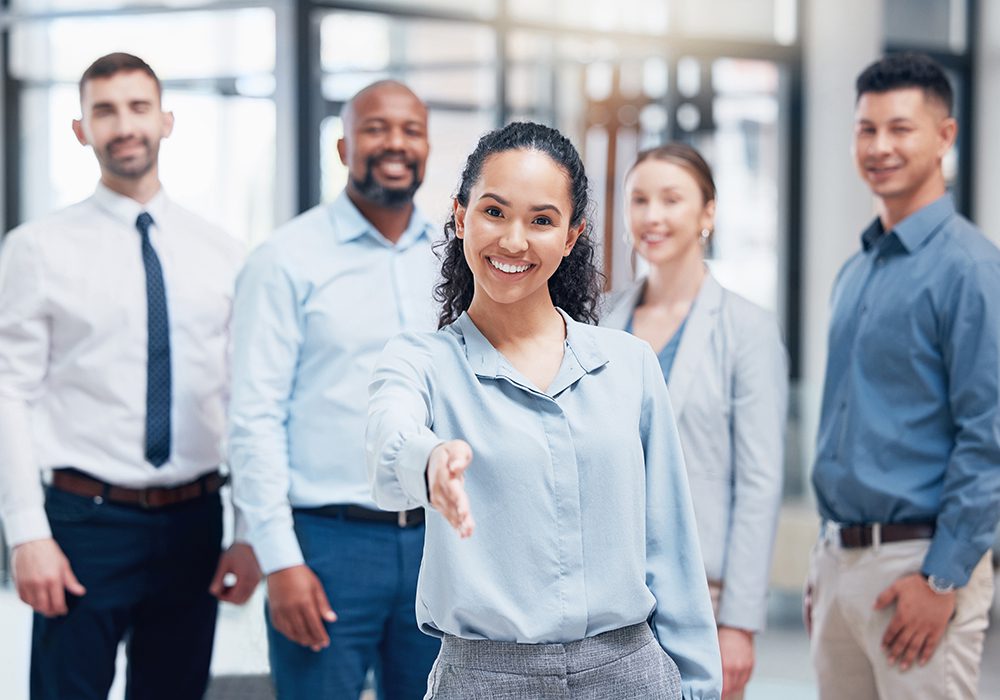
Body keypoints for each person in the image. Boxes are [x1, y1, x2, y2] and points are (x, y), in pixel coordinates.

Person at [366, 121, 722, 699]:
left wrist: (699, 689)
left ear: (571, 234)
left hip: (630, 673)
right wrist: (430, 461)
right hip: (485, 679)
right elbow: (389, 437)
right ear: (460, 217)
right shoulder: (422, 361)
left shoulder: (629, 364)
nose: (513, 241)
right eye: (494, 212)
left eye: (541, 220)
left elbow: (672, 545)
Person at [0, 52, 260, 700]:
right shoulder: (37, 249)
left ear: (166, 120)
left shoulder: (225, 254)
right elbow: (8, 390)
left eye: (138, 107)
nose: (124, 125)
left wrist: (250, 531)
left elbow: (246, 400)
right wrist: (27, 533)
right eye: (105, 111)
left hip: (195, 523)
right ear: (80, 129)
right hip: (84, 524)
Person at [228, 80, 440, 699]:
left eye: (411, 130)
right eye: (376, 128)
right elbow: (254, 417)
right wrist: (280, 559)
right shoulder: (285, 260)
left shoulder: (456, 257)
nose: (395, 143)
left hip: (440, 543)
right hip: (327, 545)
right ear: (345, 146)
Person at [806, 52, 1000, 700]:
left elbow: (989, 435)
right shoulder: (856, 271)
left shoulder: (970, 270)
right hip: (842, 564)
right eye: (867, 129)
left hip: (920, 568)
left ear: (946, 136)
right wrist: (825, 567)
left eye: (900, 128)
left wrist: (942, 579)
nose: (880, 146)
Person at [601, 143, 788, 700]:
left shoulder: (746, 328)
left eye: (671, 199)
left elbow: (759, 481)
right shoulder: (602, 322)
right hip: (609, 596)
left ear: (708, 213)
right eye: (639, 200)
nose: (652, 216)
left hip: (702, 595)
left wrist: (739, 623)